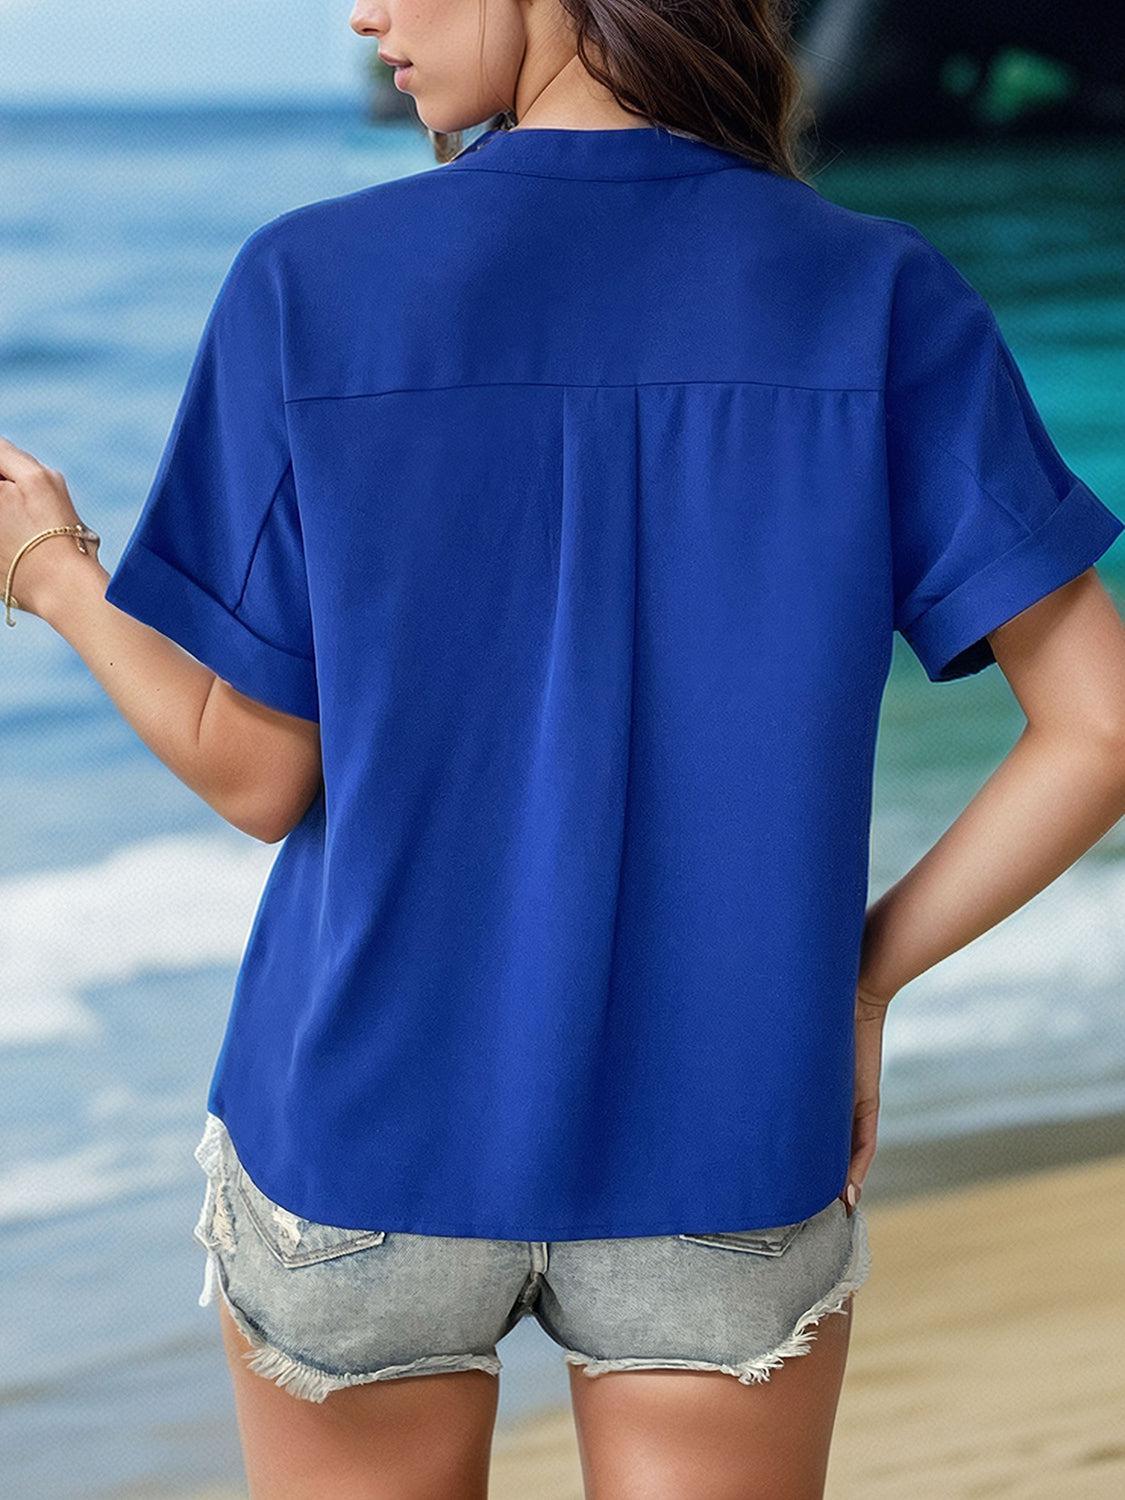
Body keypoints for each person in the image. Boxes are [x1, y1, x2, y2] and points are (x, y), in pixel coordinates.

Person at [3, 1, 1124, 1495]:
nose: (365, 13)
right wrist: (857, 985)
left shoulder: (309, 280)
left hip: (363, 1132)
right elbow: (1099, 728)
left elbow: (256, 776)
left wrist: (52, 570)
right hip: (731, 1126)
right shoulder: (875, 291)